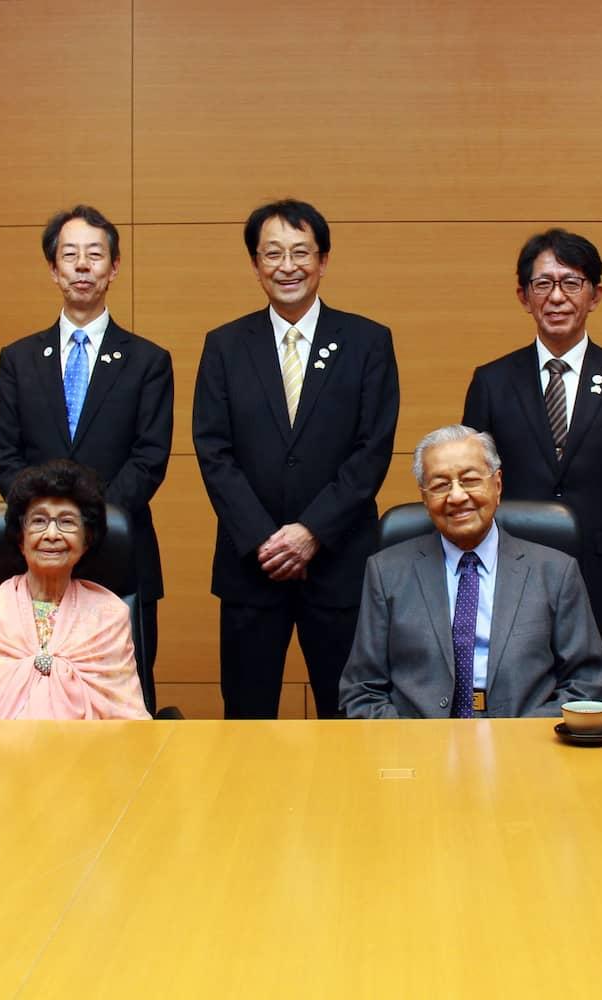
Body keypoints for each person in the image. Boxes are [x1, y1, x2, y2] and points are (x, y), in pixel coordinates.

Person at [194, 198, 400, 719]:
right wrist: (266, 539)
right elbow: (213, 451)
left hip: (338, 563)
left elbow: (371, 452)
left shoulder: (368, 341)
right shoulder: (224, 346)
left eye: (301, 252)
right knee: (245, 713)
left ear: (324, 260)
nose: (288, 266)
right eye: (273, 254)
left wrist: (311, 533)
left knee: (349, 712)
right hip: (251, 565)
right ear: (255, 265)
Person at [463, 229, 602, 716]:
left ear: (595, 295)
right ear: (523, 296)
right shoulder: (492, 382)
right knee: (515, 701)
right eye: (543, 284)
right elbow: (471, 483)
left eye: (571, 283)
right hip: (510, 574)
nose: (556, 297)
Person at [0, 205, 173, 711]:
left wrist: (87, 524)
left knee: (124, 697)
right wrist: (52, 525)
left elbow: (149, 458)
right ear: (53, 269)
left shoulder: (148, 361)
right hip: (38, 557)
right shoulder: (18, 359)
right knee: (32, 697)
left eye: (96, 255)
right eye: (70, 255)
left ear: (114, 268)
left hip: (119, 549)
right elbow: (3, 454)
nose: (83, 266)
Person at [340, 425, 602, 719]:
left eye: (469, 480)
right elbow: (362, 690)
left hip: (525, 749)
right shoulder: (386, 572)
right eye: (441, 485)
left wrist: (523, 741)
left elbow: (587, 682)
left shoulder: (555, 572)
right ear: (424, 497)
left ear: (497, 484)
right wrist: (414, 744)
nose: (456, 497)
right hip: (420, 748)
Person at [0, 460, 150, 720]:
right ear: (21, 538)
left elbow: (128, 720)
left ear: (87, 539)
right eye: (39, 521)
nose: (52, 534)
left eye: (66, 522)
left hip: (87, 755)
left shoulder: (109, 616)